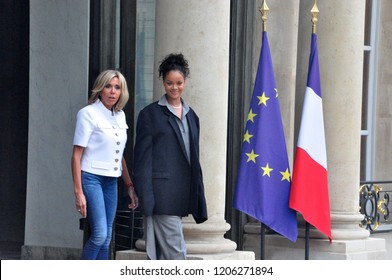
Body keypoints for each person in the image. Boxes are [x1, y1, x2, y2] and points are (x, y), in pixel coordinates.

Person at [133, 53, 208, 260]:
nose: (174, 88)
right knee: (176, 253)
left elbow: (194, 159)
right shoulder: (150, 115)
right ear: (163, 83)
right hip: (161, 195)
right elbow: (142, 160)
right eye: (169, 83)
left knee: (165, 257)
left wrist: (198, 193)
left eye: (179, 83)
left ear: (185, 82)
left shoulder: (192, 116)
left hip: (182, 193)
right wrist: (145, 198)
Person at [71, 69, 138, 260]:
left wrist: (129, 186)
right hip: (91, 178)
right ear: (100, 89)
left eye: (117, 87)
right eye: (108, 86)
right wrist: (78, 193)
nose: (112, 91)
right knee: (99, 235)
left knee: (107, 238)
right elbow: (76, 155)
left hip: (111, 181)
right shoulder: (87, 113)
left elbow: (119, 155)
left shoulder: (120, 115)